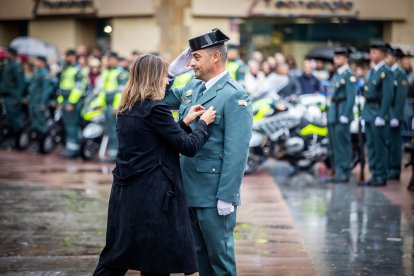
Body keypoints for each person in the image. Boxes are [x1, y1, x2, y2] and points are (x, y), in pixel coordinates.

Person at [94, 54, 216, 276]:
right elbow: (187, 146)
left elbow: (155, 141)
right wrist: (203, 125)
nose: (165, 82)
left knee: (117, 256)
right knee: (156, 260)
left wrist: (185, 122)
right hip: (153, 197)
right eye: (163, 77)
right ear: (154, 78)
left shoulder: (127, 106)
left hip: (126, 193)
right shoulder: (156, 108)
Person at [164, 28, 253, 276]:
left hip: (213, 194)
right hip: (188, 187)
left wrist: (227, 195)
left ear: (215, 56)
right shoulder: (192, 87)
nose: (191, 63)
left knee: (220, 261)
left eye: (196, 57)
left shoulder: (234, 95)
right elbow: (157, 98)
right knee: (197, 259)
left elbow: (237, 152)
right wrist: (171, 73)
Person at [362, 42, 394, 187]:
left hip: (378, 111)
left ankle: (381, 175)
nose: (371, 55)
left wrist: (382, 115)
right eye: (371, 52)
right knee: (372, 146)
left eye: (375, 52)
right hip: (369, 111)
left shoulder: (386, 72)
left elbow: (388, 96)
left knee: (380, 146)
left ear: (382, 54)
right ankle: (374, 174)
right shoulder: (373, 71)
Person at [326, 47, 357, 183]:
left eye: (339, 57)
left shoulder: (348, 75)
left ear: (345, 59)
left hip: (342, 112)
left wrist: (345, 114)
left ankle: (343, 172)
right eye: (335, 57)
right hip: (334, 112)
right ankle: (337, 171)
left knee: (342, 144)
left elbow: (351, 97)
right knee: (334, 144)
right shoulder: (337, 74)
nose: (335, 60)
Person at [57, 49, 87, 158]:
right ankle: (70, 147)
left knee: (72, 126)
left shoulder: (78, 70)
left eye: (67, 56)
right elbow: (62, 87)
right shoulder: (66, 69)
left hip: (72, 101)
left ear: (72, 57)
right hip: (65, 100)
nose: (65, 58)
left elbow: (78, 89)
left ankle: (73, 150)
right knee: (67, 125)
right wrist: (60, 102)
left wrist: (71, 102)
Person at [100, 51, 128, 162]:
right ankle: (112, 152)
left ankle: (115, 153)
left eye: (108, 59)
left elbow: (121, 92)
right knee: (109, 130)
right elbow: (103, 91)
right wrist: (102, 105)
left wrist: (117, 107)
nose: (106, 62)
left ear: (115, 60)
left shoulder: (120, 73)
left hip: (114, 107)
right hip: (107, 106)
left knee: (114, 130)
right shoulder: (107, 72)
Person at [385, 46, 408, 181]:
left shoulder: (400, 74)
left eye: (388, 56)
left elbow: (400, 98)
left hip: (395, 114)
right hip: (388, 114)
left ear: (394, 58)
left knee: (395, 144)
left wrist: (395, 116)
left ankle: (394, 169)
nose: (386, 59)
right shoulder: (388, 72)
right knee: (388, 142)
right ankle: (389, 167)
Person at [28, 55, 56, 149]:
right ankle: (37, 143)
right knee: (35, 124)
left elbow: (46, 90)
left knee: (41, 124)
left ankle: (43, 145)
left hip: (40, 103)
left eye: (38, 61)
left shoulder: (45, 73)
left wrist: (43, 103)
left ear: (43, 63)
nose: (36, 63)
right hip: (33, 102)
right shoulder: (37, 72)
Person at [0, 47, 25, 148]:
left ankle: (17, 142)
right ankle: (10, 140)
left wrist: (17, 98)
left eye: (9, 54)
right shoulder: (7, 65)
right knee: (9, 120)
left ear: (13, 54)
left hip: (13, 97)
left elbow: (20, 84)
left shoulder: (16, 66)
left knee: (15, 121)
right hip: (6, 96)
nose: (7, 55)